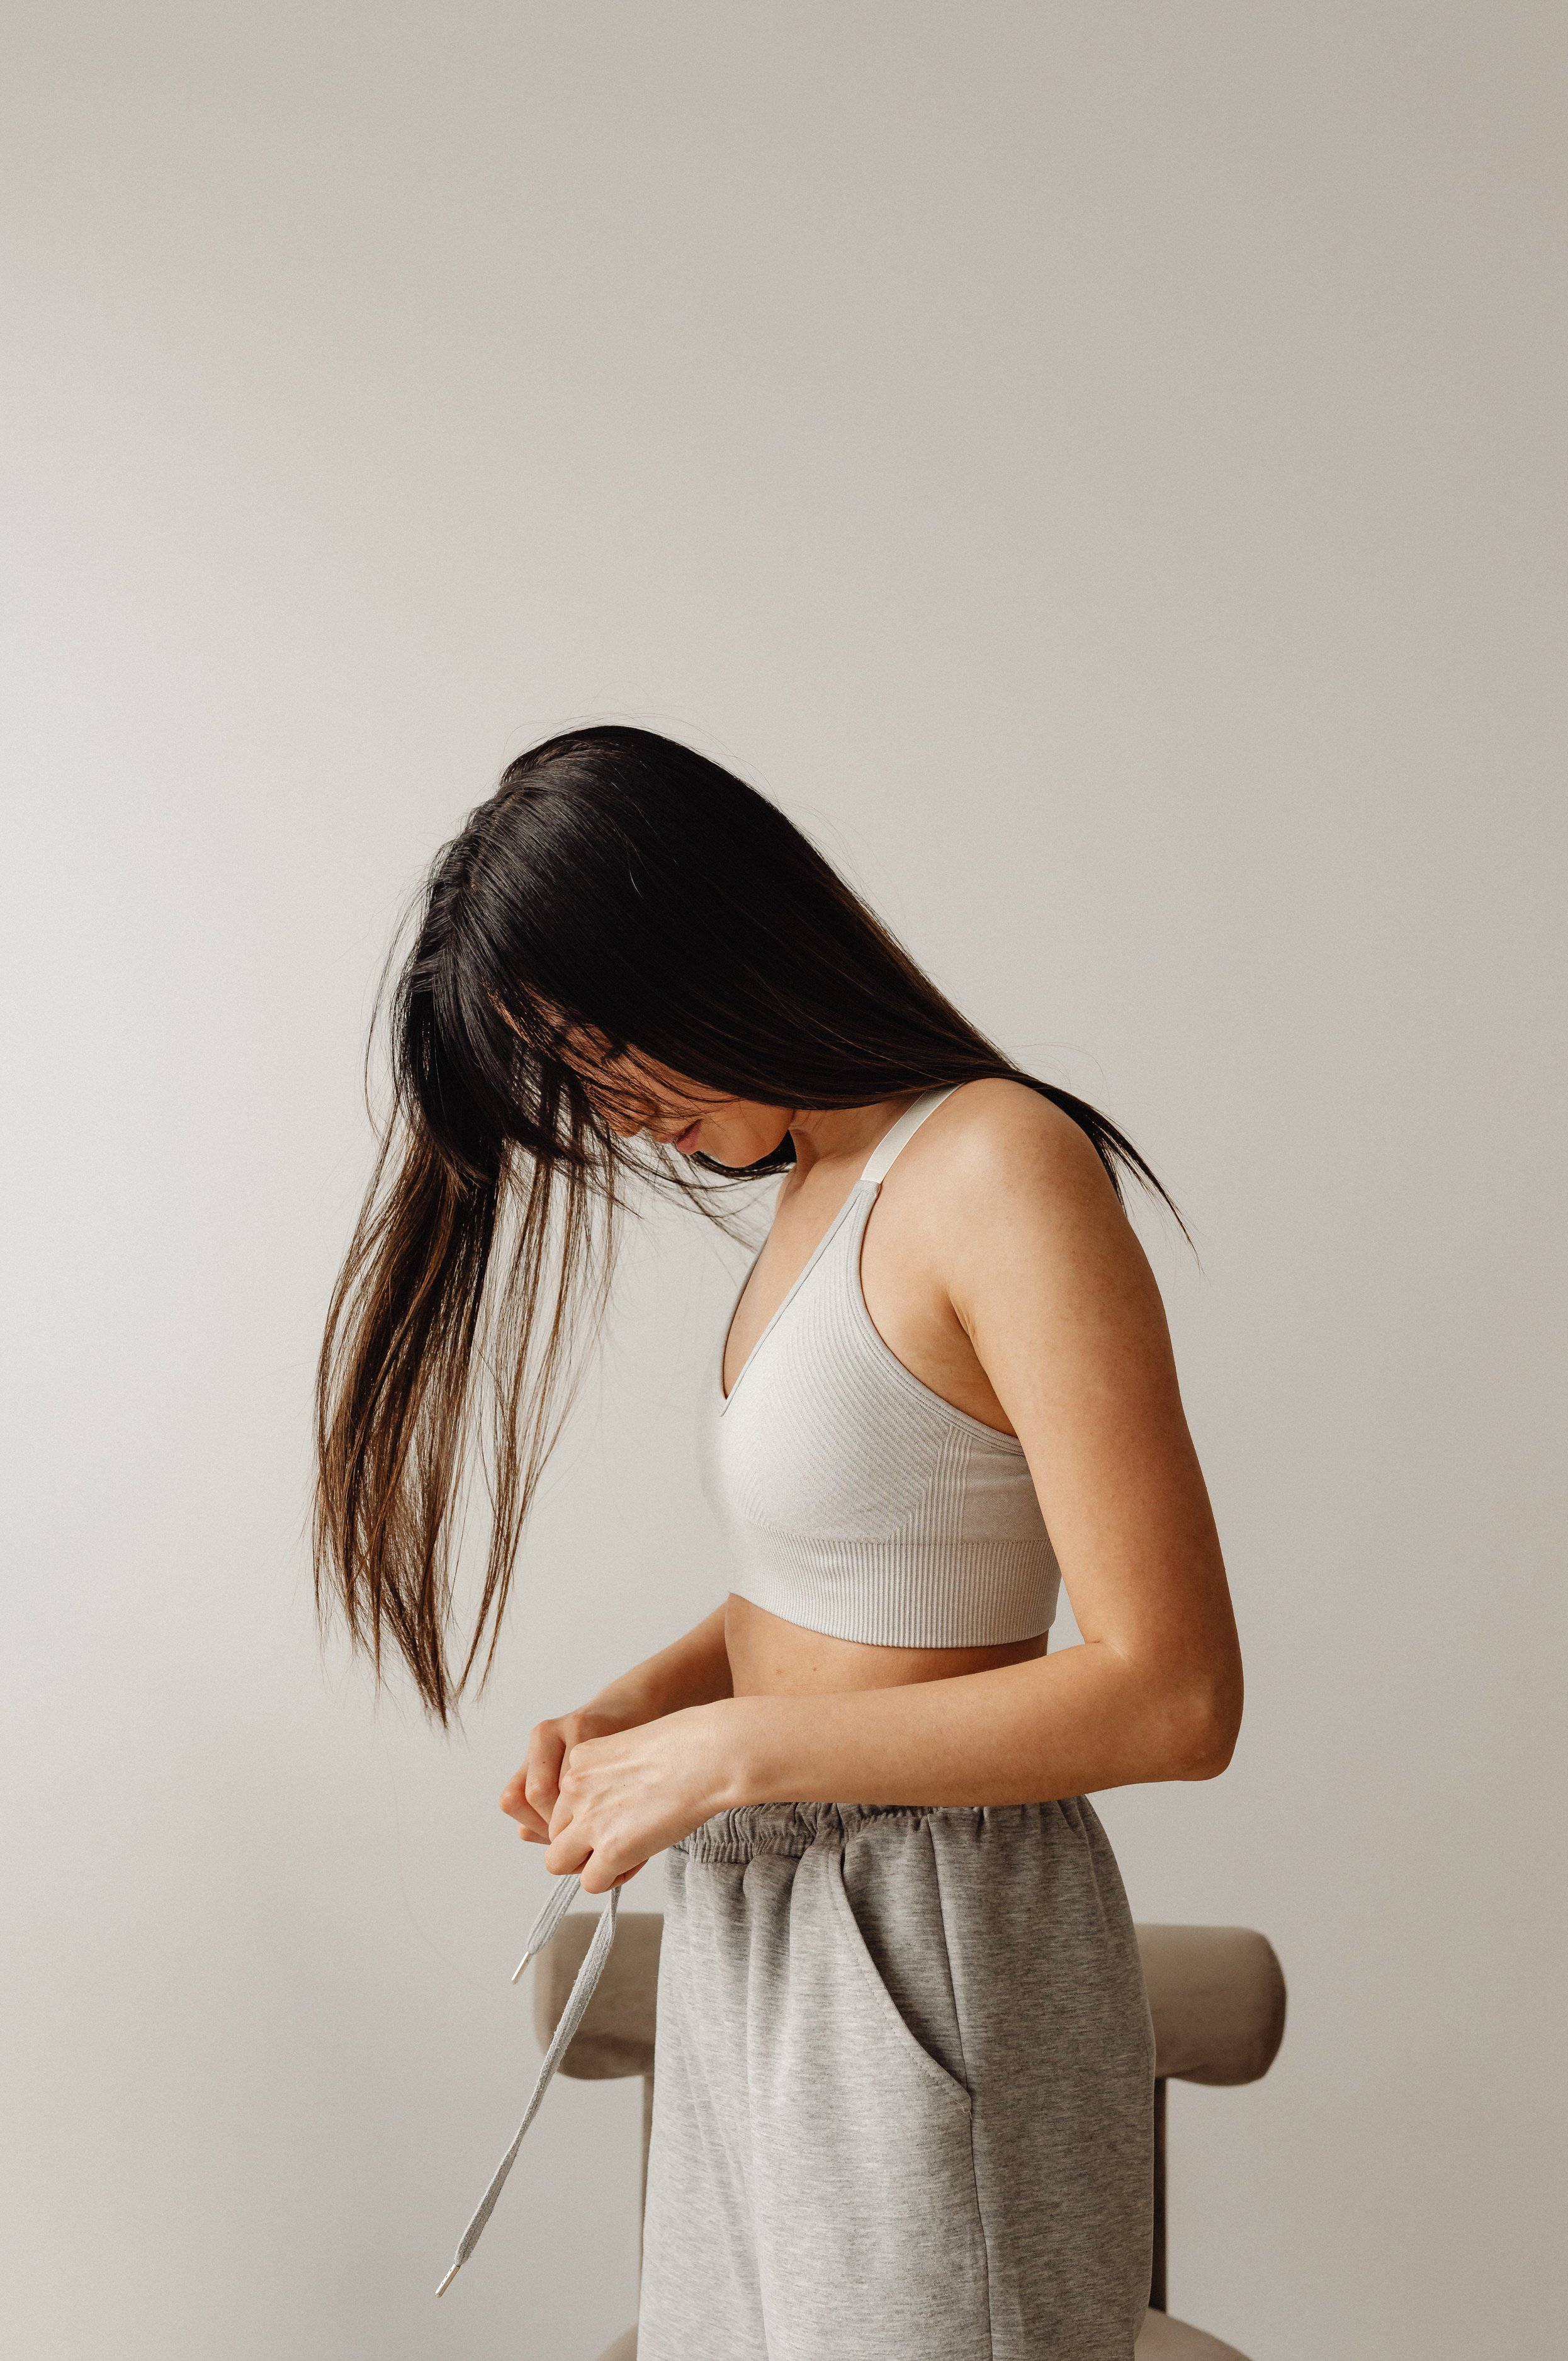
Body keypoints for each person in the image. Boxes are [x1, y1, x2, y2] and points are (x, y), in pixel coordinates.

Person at [314, 725, 1242, 2361]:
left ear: (710, 942)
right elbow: (837, 1592)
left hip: (932, 1938)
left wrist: (731, 1753)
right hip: (763, 1929)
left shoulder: (994, 1168)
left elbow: (1172, 1698)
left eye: (609, 1056)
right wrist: (650, 1707)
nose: (613, 1117)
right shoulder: (818, 1187)